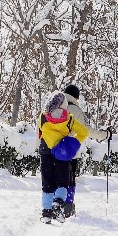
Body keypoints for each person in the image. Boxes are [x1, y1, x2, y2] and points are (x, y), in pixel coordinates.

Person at [37, 90, 91, 223]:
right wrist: (72, 142)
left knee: (47, 183)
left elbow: (39, 132)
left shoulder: (43, 116)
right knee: (62, 182)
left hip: (45, 151)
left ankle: (46, 213)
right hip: (61, 152)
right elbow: (84, 132)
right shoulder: (69, 118)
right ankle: (57, 203)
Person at [60, 84, 107, 218]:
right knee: (69, 179)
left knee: (56, 179)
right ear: (76, 97)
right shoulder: (75, 109)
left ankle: (53, 205)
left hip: (52, 149)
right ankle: (68, 206)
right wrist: (104, 135)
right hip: (69, 150)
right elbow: (86, 131)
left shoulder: (55, 107)